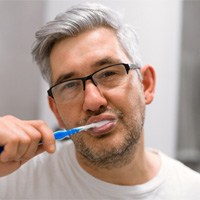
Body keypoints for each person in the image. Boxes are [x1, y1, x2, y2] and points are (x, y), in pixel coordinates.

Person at [0, 3, 200, 199]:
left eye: (108, 73)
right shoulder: (12, 180)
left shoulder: (192, 192)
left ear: (146, 85)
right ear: (56, 111)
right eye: (70, 85)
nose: (93, 101)